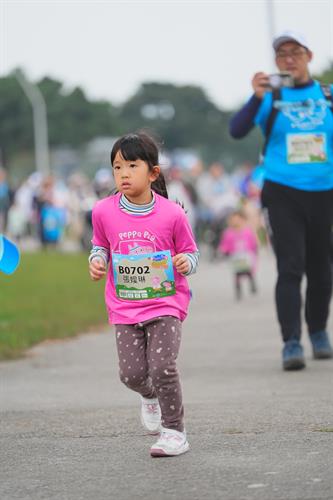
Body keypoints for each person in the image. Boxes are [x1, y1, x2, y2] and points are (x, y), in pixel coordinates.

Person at [88, 132, 199, 457]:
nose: (123, 173)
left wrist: (184, 262)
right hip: (125, 307)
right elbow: (100, 245)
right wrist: (97, 261)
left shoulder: (172, 214)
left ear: (152, 172)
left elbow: (192, 253)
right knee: (132, 374)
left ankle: (174, 431)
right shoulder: (103, 211)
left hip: (165, 304)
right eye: (117, 167)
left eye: (132, 166)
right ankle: (149, 395)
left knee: (163, 366)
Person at [229, 30, 333, 370]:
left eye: (296, 52)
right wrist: (254, 97)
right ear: (276, 62)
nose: (289, 58)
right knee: (290, 267)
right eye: (282, 54)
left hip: (325, 193)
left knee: (321, 269)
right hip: (283, 193)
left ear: (309, 56)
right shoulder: (270, 99)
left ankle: (317, 332)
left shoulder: (328, 96)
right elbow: (237, 130)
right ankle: (291, 342)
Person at [219, 209, 258, 300]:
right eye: (233, 220)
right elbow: (225, 244)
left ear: (242, 220)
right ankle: (238, 290)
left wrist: (254, 252)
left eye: (238, 219)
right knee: (237, 274)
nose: (235, 222)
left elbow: (252, 242)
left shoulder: (247, 231)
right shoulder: (228, 233)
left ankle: (252, 283)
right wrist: (224, 251)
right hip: (235, 257)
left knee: (248, 271)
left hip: (246, 256)